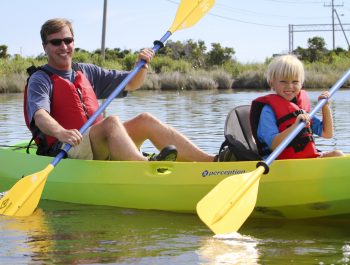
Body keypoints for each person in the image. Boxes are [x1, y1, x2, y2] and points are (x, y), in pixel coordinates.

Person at [25, 18, 215, 162]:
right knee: (111, 122)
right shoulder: (40, 79)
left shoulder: (86, 71)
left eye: (68, 40)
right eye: (56, 42)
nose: (64, 46)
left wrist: (141, 67)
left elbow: (131, 84)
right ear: (45, 47)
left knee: (145, 120)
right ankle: (144, 168)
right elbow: (40, 116)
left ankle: (211, 161)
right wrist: (61, 132)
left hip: (95, 143)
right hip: (64, 148)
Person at [250, 54, 344, 160]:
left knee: (338, 154)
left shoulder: (299, 109)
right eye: (283, 81)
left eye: (295, 82)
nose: (289, 86)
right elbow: (274, 145)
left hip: (302, 160)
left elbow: (327, 134)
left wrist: (325, 107)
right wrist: (295, 126)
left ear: (301, 83)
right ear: (272, 83)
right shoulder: (268, 111)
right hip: (278, 162)